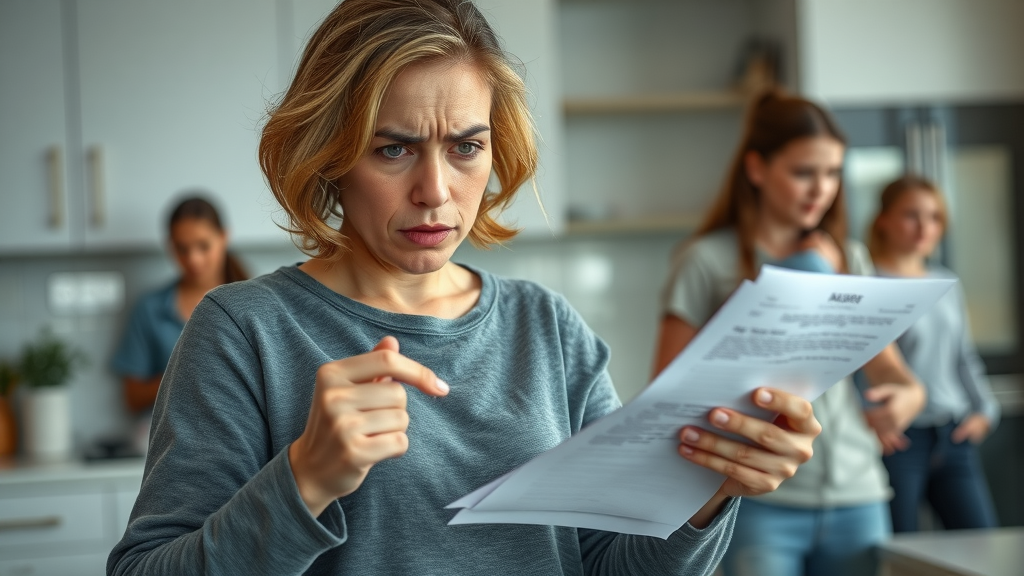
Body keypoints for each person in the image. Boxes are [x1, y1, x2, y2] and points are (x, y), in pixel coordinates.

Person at [108, 2, 822, 574]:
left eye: (466, 147)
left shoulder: (549, 328)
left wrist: (710, 492)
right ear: (329, 156)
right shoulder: (243, 330)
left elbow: (611, 562)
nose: (435, 190)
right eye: (393, 148)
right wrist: (304, 479)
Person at [654, 92, 927, 576]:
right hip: (759, 499)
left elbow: (893, 372)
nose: (820, 189)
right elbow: (667, 400)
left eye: (832, 173)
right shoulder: (705, 262)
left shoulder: (852, 258)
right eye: (804, 172)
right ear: (757, 169)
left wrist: (905, 397)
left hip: (858, 494)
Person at [867, 175, 1000, 532]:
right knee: (901, 552)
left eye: (934, 216)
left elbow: (963, 356)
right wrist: (869, 418)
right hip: (900, 441)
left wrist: (985, 411)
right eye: (912, 214)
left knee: (981, 543)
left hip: (954, 434)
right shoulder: (868, 282)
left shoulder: (947, 283)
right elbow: (855, 366)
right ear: (884, 219)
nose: (924, 227)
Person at [111, 195, 248, 415]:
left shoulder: (250, 304)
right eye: (182, 249)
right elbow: (132, 396)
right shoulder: (150, 308)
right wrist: (182, 376)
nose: (193, 259)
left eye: (203, 246)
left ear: (224, 237)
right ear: (170, 246)